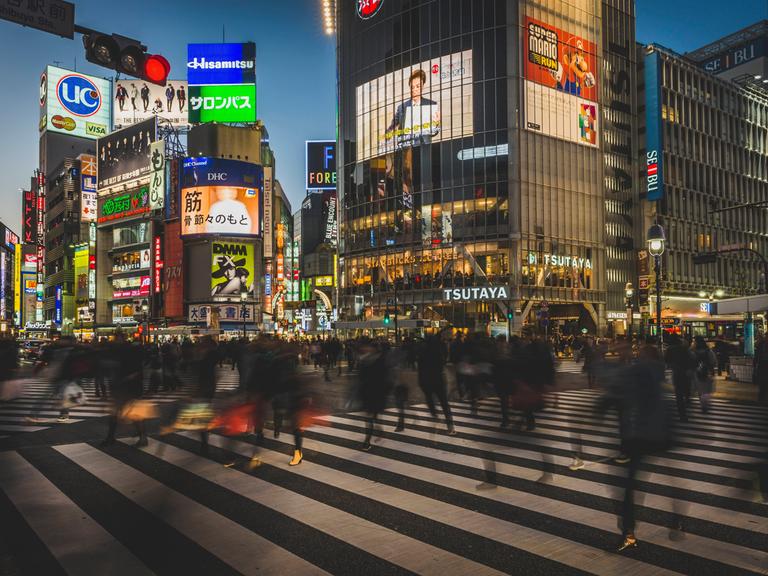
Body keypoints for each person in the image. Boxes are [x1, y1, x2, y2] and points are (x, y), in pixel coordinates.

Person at [616, 342, 669, 551]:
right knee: (671, 477)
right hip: (661, 434)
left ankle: (628, 533)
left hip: (641, 435)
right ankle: (677, 516)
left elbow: (622, 394)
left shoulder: (639, 370)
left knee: (629, 485)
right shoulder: (658, 372)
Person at [386, 69, 441, 148]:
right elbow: (392, 127)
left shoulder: (431, 104)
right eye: (412, 87)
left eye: (418, 86)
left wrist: (436, 124)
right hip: (406, 148)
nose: (414, 90)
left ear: (423, 87)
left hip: (424, 147)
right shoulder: (401, 107)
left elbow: (434, 133)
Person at [417, 332, 455, 435]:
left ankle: (435, 415)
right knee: (444, 403)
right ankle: (450, 426)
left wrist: (420, 381)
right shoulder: (437, 351)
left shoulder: (422, 352)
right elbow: (442, 364)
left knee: (430, 399)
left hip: (426, 380)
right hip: (438, 380)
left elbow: (420, 368)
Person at [665, 335, 695, 421]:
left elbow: (667, 360)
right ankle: (687, 397)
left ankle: (682, 414)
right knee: (686, 388)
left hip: (677, 373)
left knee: (679, 395)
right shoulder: (684, 348)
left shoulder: (670, 349)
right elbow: (691, 359)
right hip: (686, 372)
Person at [692, 336, 716, 413]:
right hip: (708, 372)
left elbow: (691, 363)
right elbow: (713, 361)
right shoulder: (709, 351)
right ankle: (705, 404)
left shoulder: (693, 352)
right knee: (706, 390)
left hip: (698, 372)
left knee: (701, 390)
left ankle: (703, 404)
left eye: (694, 341)